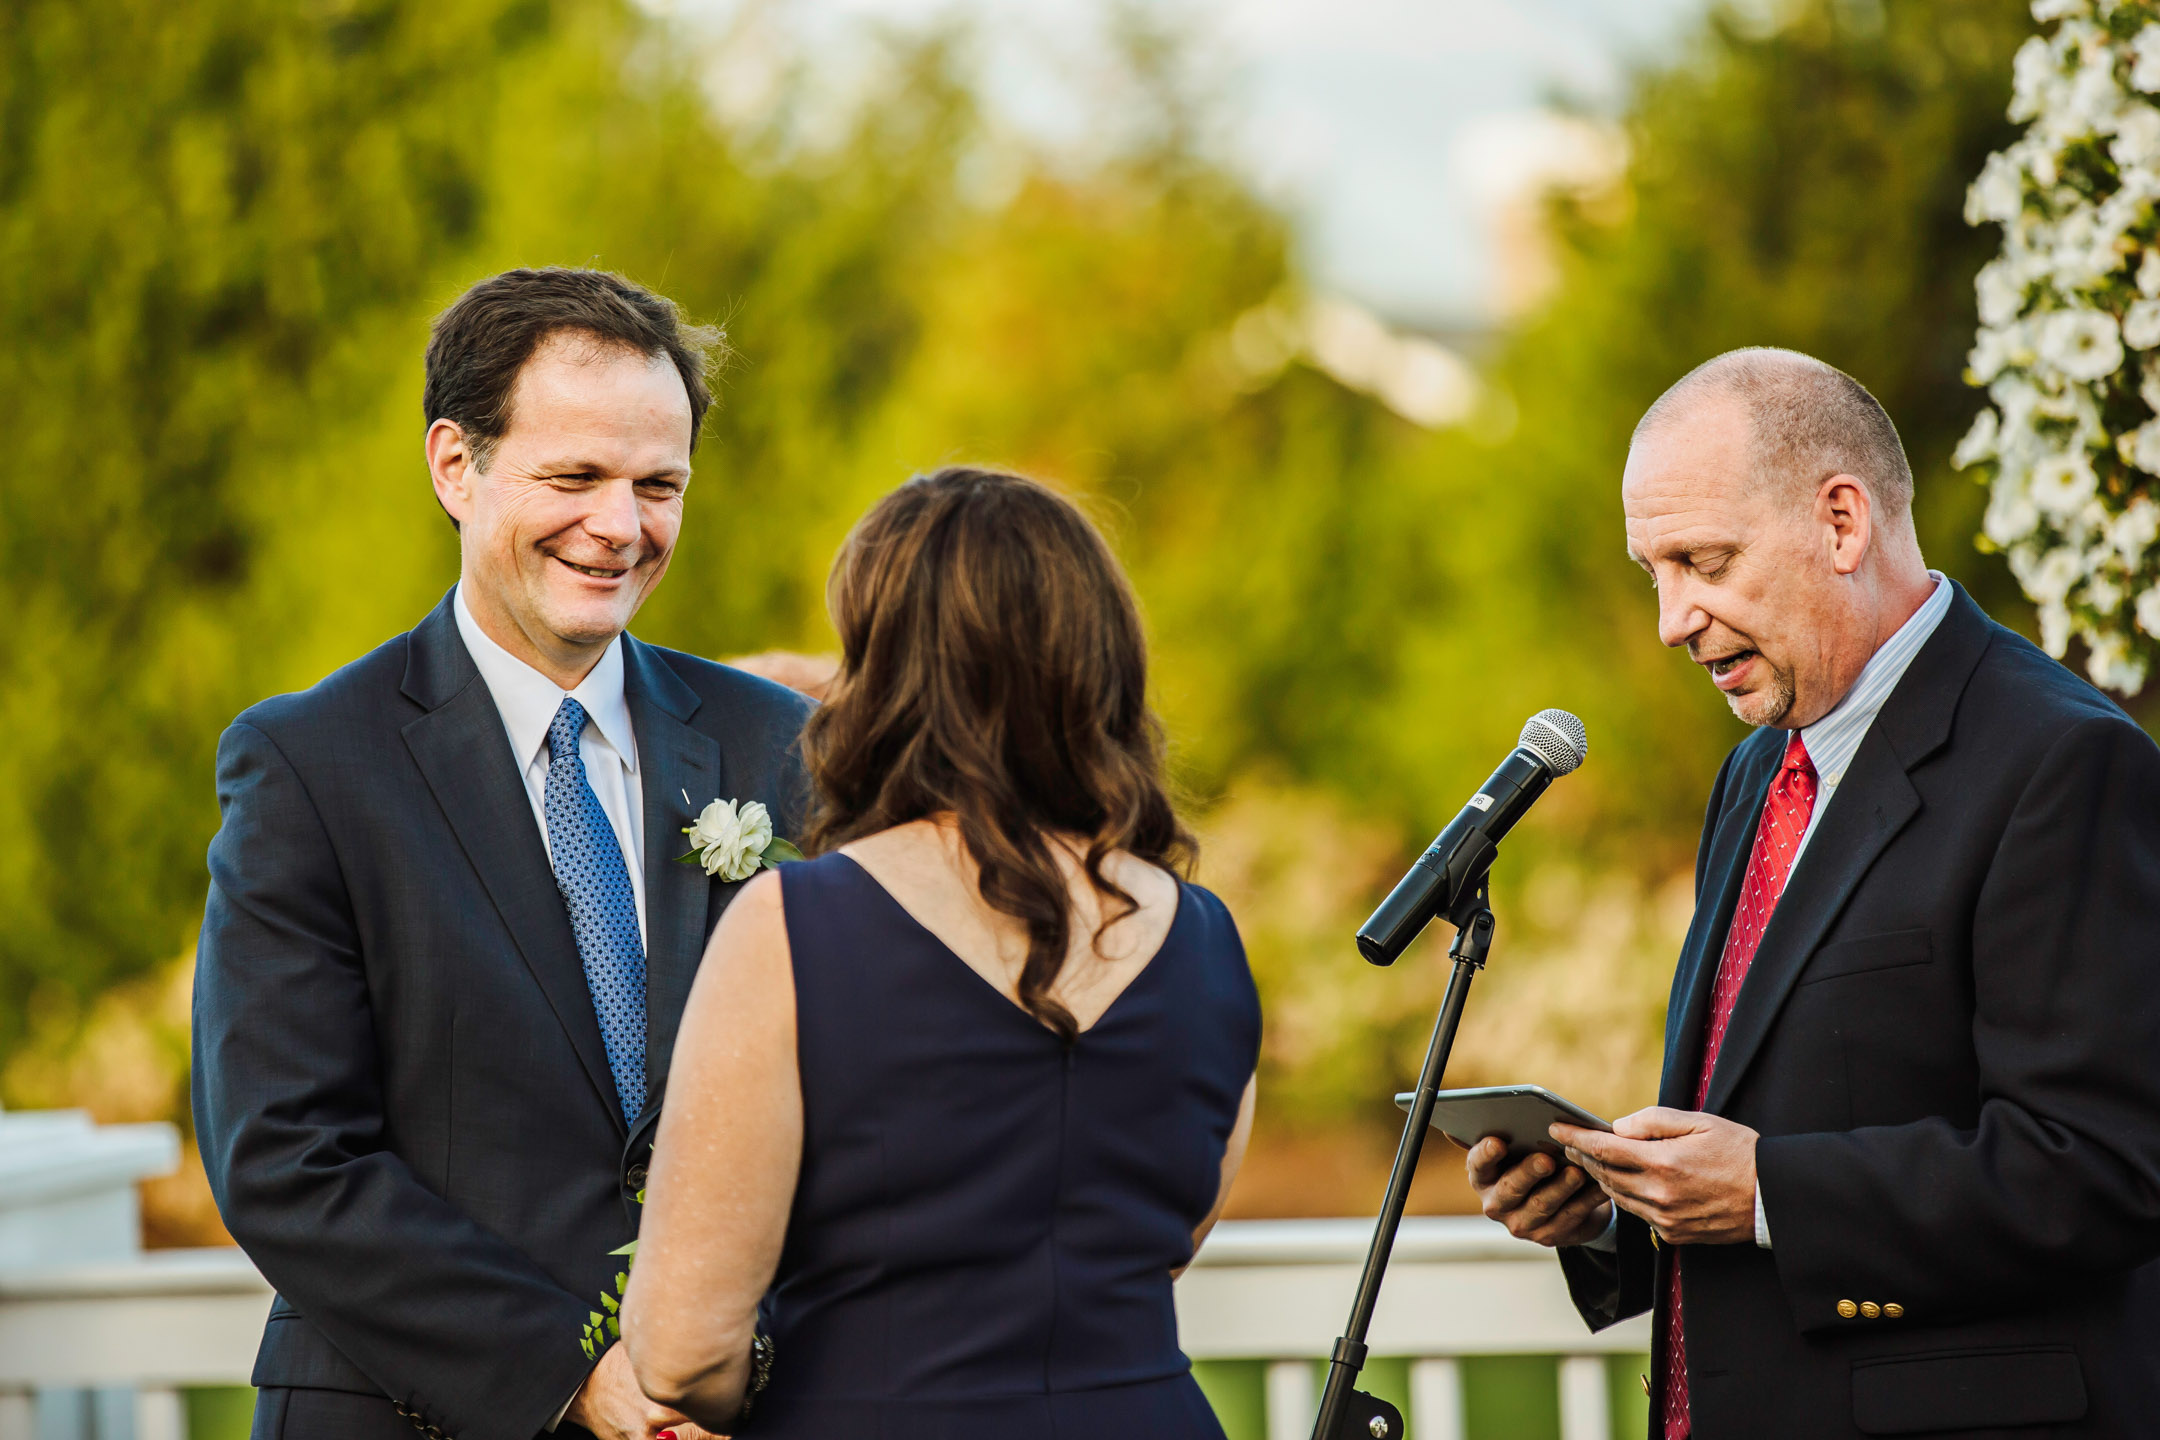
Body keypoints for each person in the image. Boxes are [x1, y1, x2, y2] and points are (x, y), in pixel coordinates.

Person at [1470, 348, 2160, 1437]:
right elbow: (1782, 1124)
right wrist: (1612, 1216)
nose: (1672, 620)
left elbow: (2105, 1168)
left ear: (1842, 523)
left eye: (1703, 560)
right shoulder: (1756, 773)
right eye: (1655, 571)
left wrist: (1768, 1195)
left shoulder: (2063, 763)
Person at [192, 267, 815, 1440]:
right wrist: (571, 1376)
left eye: (658, 485)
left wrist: (732, 1356)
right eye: (575, 476)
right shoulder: (310, 765)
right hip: (412, 1415)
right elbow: (285, 1156)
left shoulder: (773, 744)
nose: (621, 527)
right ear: (455, 466)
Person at [619, 467, 1260, 1439]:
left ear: (884, 675)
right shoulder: (1208, 938)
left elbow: (681, 1347)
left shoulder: (792, 923)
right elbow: (1167, 1239)